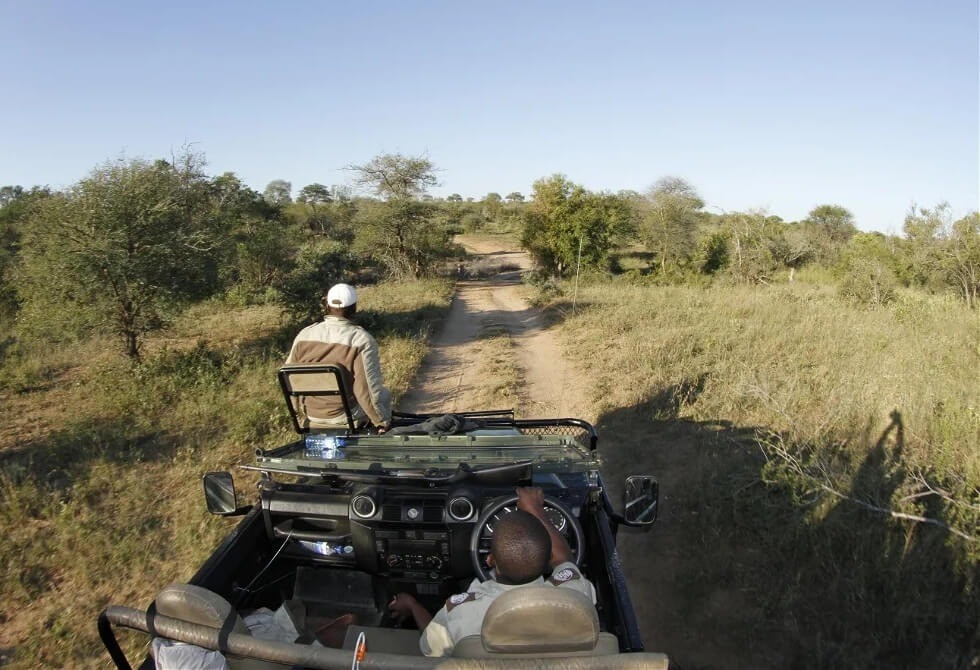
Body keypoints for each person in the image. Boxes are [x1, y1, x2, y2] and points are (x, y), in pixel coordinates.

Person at [389, 486, 596, 657]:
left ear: (489, 559)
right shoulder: (574, 594)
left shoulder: (460, 613)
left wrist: (413, 605)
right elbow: (563, 559)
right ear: (546, 560)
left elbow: (430, 650)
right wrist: (535, 509)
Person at [285, 283, 392, 430]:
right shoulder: (361, 340)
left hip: (311, 414)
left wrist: (296, 415)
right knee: (384, 395)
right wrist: (381, 422)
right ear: (354, 308)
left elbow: (289, 378)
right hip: (345, 415)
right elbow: (365, 390)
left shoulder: (304, 335)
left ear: (327, 306)